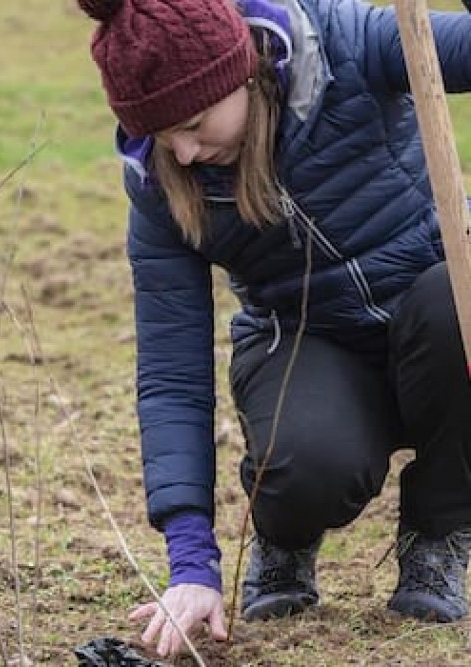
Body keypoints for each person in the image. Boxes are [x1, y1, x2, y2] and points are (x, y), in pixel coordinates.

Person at [77, 0, 471, 659]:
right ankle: (286, 539)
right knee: (305, 465)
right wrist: (192, 562)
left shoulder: (350, 42)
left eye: (195, 123)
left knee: (458, 301)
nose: (182, 149)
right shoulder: (161, 180)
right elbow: (173, 374)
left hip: (434, 311)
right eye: (160, 134)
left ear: (245, 72)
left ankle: (439, 533)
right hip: (305, 339)